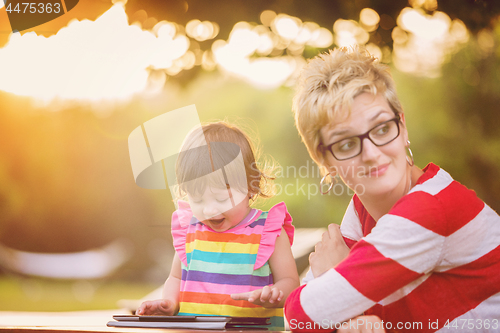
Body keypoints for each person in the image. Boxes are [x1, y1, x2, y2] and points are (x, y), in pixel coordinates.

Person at [284, 47, 500, 333]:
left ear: (403, 126)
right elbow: (304, 319)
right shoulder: (365, 204)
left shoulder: (429, 209)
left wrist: (337, 275)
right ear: (325, 161)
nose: (372, 154)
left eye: (382, 129)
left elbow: (301, 314)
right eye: (346, 144)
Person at [137, 121, 299, 330]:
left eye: (222, 199)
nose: (209, 210)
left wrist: (276, 294)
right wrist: (169, 303)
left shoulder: (268, 231)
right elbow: (176, 277)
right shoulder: (190, 230)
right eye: (198, 199)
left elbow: (290, 282)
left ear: (251, 185)